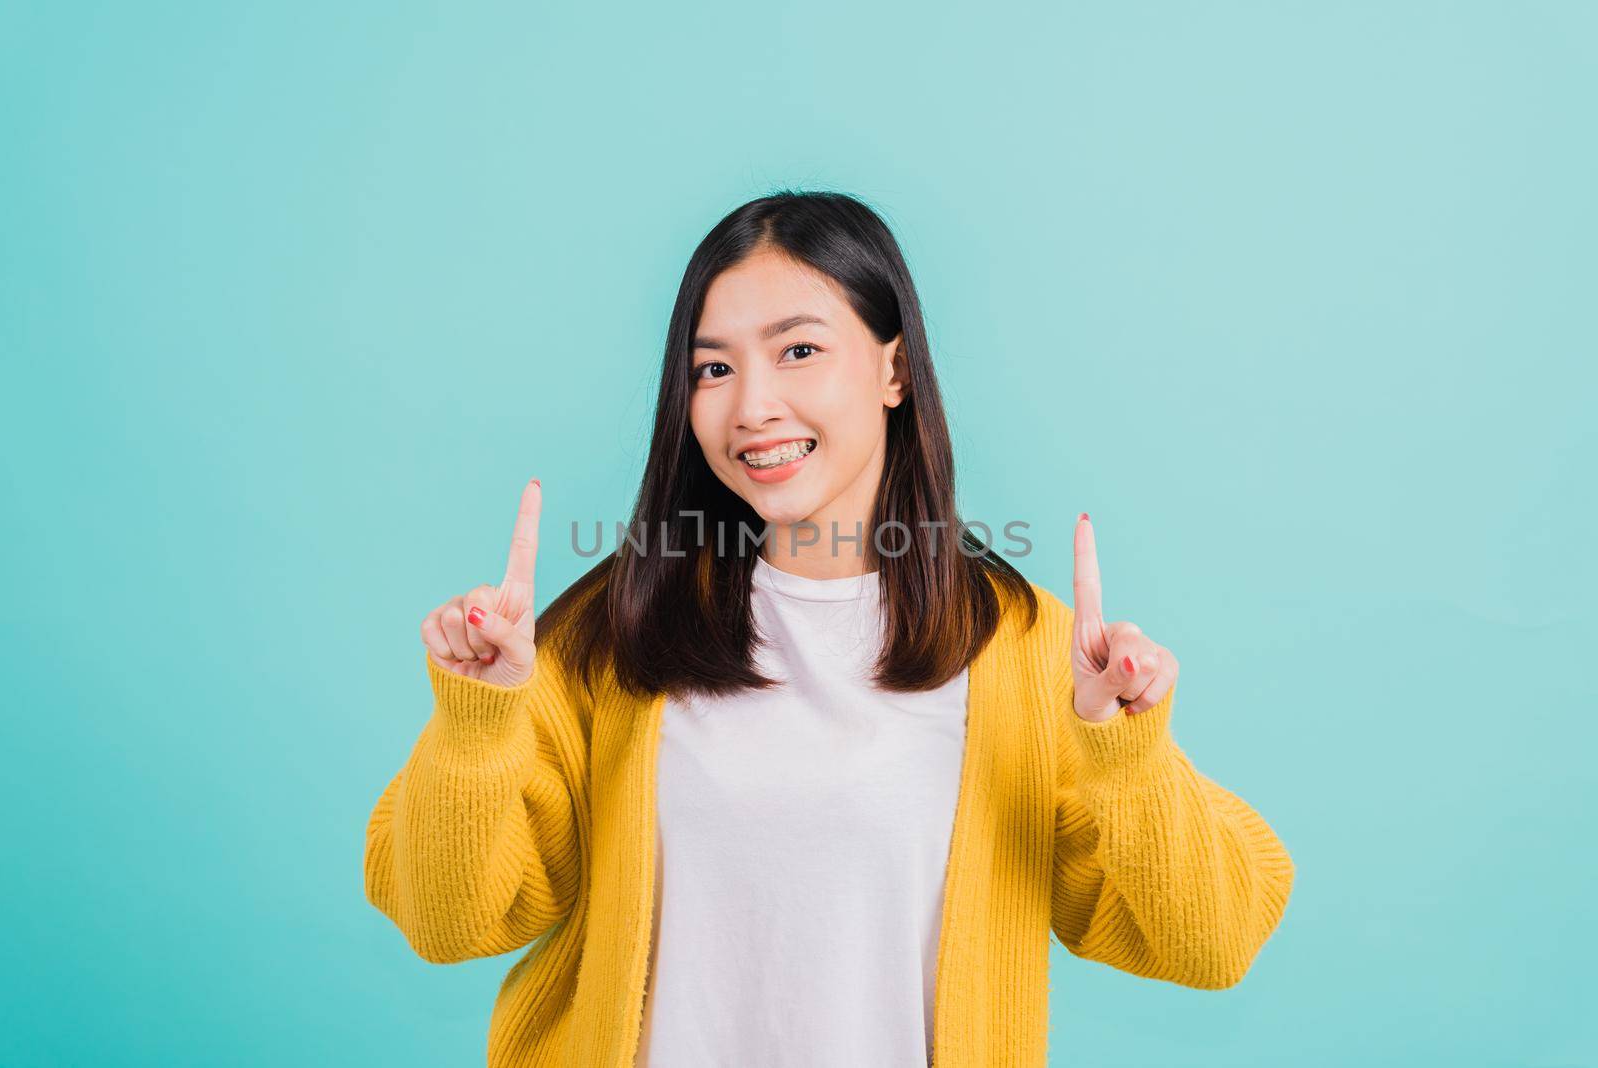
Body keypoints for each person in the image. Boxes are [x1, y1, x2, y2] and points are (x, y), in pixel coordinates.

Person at [362, 191, 1295, 1067]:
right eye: (714, 368)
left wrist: (1124, 754)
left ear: (893, 367)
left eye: (798, 351)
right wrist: (479, 722)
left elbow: (1210, 942)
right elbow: (449, 924)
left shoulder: (1027, 650)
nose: (752, 405)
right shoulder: (616, 632)